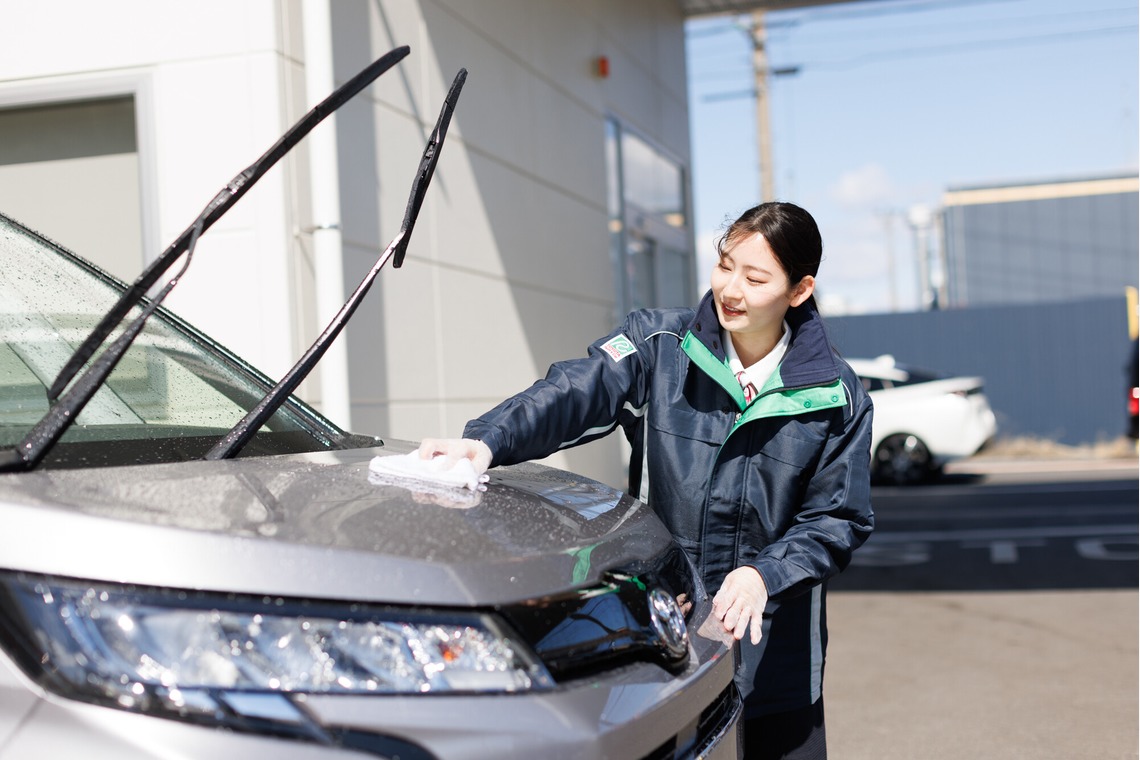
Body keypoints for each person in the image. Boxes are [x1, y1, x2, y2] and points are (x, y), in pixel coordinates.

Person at [419, 201, 874, 759]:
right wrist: (488, 440)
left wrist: (765, 575)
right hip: (669, 628)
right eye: (725, 264)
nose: (731, 288)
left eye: (756, 278)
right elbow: (574, 390)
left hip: (775, 649)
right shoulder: (660, 345)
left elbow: (837, 518)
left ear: (799, 290)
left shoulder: (837, 393)